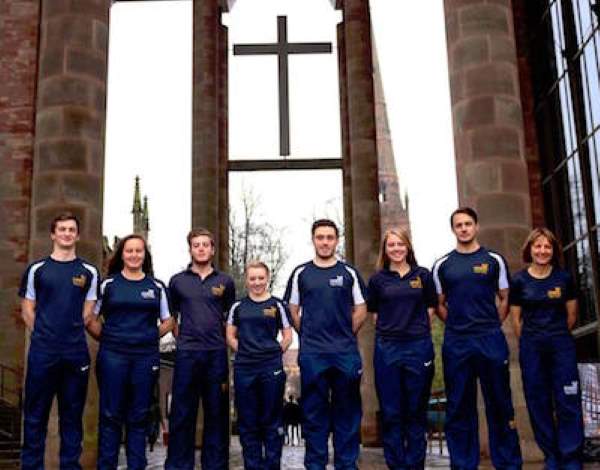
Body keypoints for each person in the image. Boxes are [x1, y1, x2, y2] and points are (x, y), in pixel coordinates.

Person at [432, 207, 522, 470]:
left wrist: (493, 322)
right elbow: (438, 303)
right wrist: (458, 323)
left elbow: (506, 297)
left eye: (468, 224)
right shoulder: (442, 265)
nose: (463, 228)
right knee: (459, 406)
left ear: (476, 226)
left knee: (500, 403)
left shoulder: (494, 260)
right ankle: (463, 464)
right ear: (453, 229)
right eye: (458, 225)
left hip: (490, 338)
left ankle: (507, 463)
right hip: (457, 341)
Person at [284, 219, 367, 470]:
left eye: (330, 237)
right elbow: (293, 309)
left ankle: (346, 465)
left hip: (345, 353)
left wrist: (344, 333)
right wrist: (308, 334)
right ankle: (315, 465)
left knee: (347, 413)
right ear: (313, 240)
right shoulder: (301, 273)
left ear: (336, 240)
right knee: (314, 414)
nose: (325, 242)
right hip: (313, 354)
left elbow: (362, 309)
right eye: (320, 237)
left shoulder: (348, 273)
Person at [19, 213, 99, 470]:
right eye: (62, 229)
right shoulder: (36, 270)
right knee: (34, 417)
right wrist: (44, 333)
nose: (66, 233)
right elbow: (27, 309)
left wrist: (69, 330)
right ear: (53, 234)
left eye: (71, 229)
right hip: (43, 352)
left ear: (77, 234)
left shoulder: (88, 272)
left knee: (72, 417)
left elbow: (89, 311)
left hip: (75, 352)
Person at [87, 234, 174, 470]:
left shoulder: (156, 286)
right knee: (110, 416)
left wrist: (148, 336)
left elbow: (169, 321)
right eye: (129, 251)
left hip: (145, 358)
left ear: (145, 255)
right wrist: (107, 337)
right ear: (121, 254)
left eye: (139, 251)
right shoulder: (108, 285)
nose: (134, 255)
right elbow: (91, 319)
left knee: (139, 417)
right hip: (113, 356)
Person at [510, 228, 583, 469]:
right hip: (532, 346)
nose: (542, 251)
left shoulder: (564, 278)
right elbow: (516, 319)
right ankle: (551, 455)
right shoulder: (519, 280)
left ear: (553, 250)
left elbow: (571, 315)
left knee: (567, 400)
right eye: (538, 246)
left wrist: (555, 335)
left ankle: (570, 456)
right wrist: (531, 340)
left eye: (547, 247)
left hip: (561, 345)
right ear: (529, 249)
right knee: (537, 402)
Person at [165, 229, 235, 470]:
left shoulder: (225, 282)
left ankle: (215, 466)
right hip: (187, 355)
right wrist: (183, 340)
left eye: (206, 244)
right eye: (197, 245)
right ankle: (178, 465)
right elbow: (172, 317)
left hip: (216, 354)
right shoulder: (177, 281)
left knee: (217, 413)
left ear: (212, 249)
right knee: (182, 414)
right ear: (191, 249)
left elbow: (229, 317)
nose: (202, 248)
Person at [368, 228, 436, 470]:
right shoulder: (377, 280)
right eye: (391, 245)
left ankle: (415, 464)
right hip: (388, 348)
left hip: (418, 347)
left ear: (408, 247)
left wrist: (413, 330)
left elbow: (430, 310)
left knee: (416, 410)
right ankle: (396, 465)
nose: (396, 249)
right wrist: (394, 331)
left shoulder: (423, 276)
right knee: (391, 411)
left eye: (400, 244)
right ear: (385, 250)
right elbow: (374, 315)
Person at [226, 261, 292, 470]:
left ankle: (272, 465)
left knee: (272, 420)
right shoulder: (238, 307)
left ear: (267, 278)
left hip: (270, 367)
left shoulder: (277, 305)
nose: (257, 282)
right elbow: (229, 335)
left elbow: (288, 336)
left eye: (260, 278)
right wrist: (243, 350)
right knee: (248, 421)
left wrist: (273, 352)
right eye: (252, 278)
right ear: (247, 280)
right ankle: (252, 466)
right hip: (245, 367)